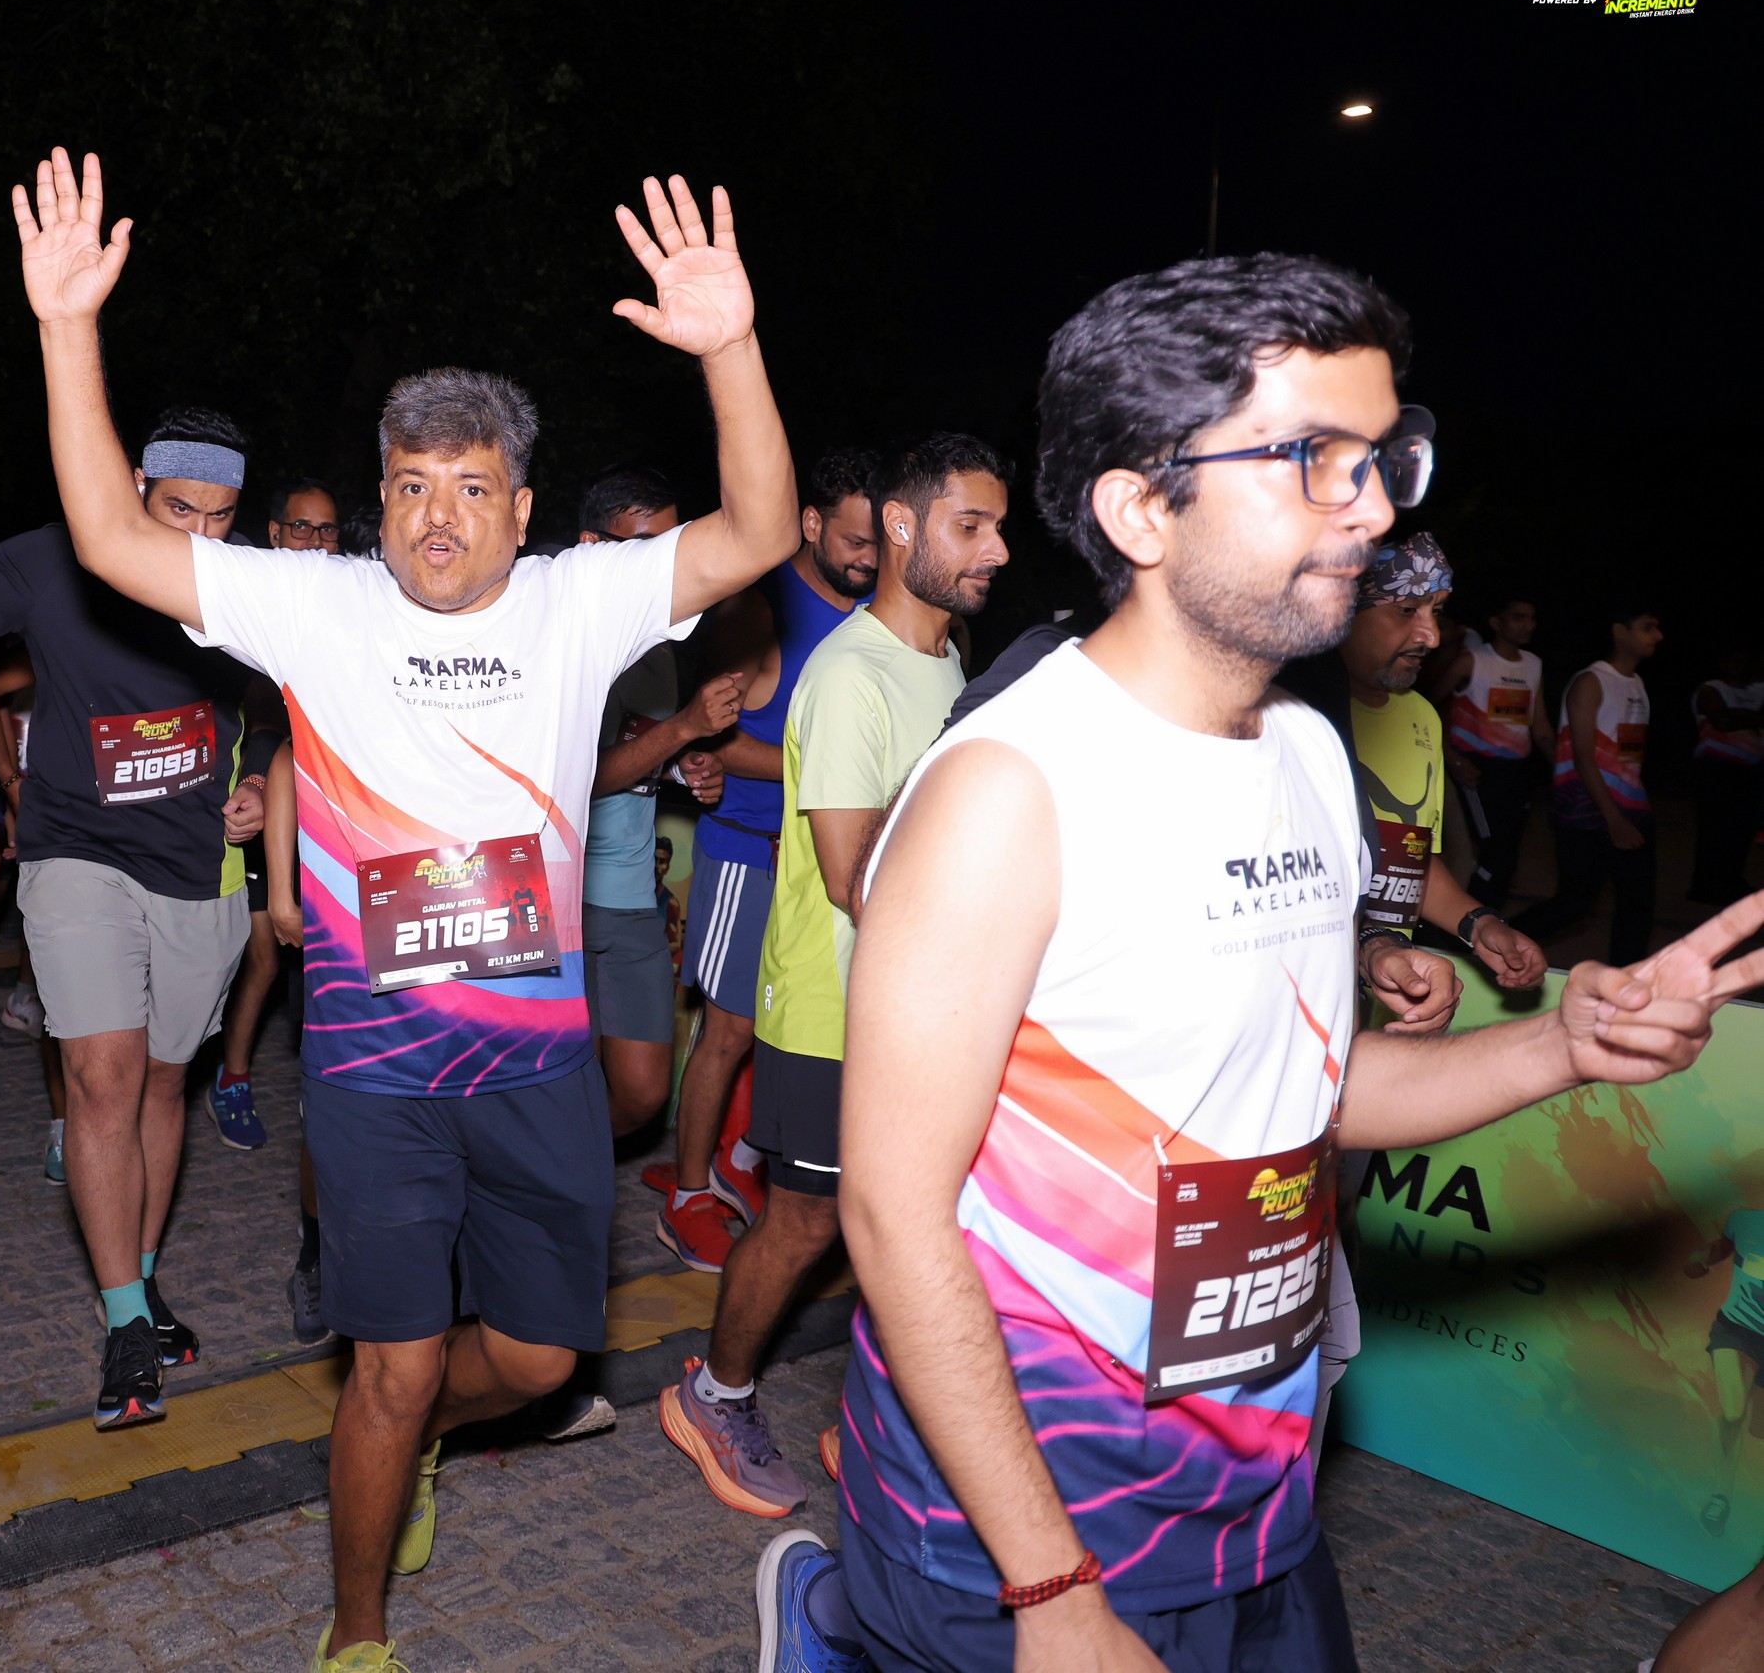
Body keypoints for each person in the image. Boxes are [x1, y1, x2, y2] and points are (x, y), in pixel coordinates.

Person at [753, 251, 1764, 1673]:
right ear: (1139, 510)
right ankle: (838, 1626)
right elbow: (892, 1210)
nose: (1376, 506)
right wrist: (1051, 1593)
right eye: (1311, 459)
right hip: (1020, 1528)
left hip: (1255, 1486)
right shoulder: (1009, 791)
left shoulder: (1306, 754)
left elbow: (1313, 1091)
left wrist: (1563, 1043)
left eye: (1383, 457)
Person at [0, 148, 799, 1673]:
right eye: (412, 488)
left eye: (471, 489)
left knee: (536, 1361)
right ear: (381, 502)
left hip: (537, 1071)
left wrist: (732, 348)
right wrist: (66, 330)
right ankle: (359, 1633)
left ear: (521, 507)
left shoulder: (582, 602)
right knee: (386, 1370)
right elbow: (112, 539)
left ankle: (429, 1437)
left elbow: (758, 527)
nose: (440, 518)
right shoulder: (318, 606)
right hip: (376, 1077)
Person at [0, 398, 266, 1435]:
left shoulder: (244, 576)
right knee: (102, 1078)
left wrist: (264, 785)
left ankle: (141, 1276)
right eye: (178, 508)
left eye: (219, 514)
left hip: (200, 865)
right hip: (76, 852)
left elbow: (296, 702)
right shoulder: (56, 557)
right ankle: (125, 1320)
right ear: (136, 484)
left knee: (164, 1084)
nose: (198, 533)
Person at [663, 432, 1007, 1519]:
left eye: (999, 527)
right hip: (834, 1005)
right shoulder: (853, 672)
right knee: (806, 1223)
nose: (997, 549)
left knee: (917, 1227)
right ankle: (715, 1395)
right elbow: (857, 878)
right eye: (971, 526)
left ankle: (882, 1430)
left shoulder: (946, 662)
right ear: (902, 528)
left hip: (922, 1003)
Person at [658, 445, 878, 1275]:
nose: (869, 557)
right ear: (811, 524)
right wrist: (838, 777)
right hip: (750, 850)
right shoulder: (759, 610)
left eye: (880, 541)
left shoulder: (880, 608)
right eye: (854, 540)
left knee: (808, 1024)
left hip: (824, 859)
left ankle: (741, 1157)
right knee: (731, 1029)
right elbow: (715, 741)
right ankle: (687, 1196)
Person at [579, 465, 743, 1136]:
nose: (664, 565)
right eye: (645, 547)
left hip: (633, 896)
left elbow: (634, 749)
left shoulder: (663, 644)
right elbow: (578, 779)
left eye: (673, 546)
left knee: (643, 1093)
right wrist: (683, 729)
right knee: (565, 1089)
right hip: (566, 902)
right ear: (592, 546)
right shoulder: (573, 643)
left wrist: (684, 768)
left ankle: (552, 1167)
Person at [1333, 533, 1546, 987]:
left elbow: (1411, 863)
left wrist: (1479, 923)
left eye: (1437, 612)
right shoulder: (1285, 716)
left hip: (1387, 987)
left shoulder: (1422, 716)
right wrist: (1367, 948)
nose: (1430, 637)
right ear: (1341, 609)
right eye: (1407, 610)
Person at [210, 478, 338, 1149]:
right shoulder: (258, 600)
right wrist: (258, 778)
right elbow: (264, 711)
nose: (315, 542)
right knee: (264, 956)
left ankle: (338, 1093)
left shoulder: (350, 599)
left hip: (336, 813)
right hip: (264, 799)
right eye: (301, 528)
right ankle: (232, 1079)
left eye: (327, 530)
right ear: (275, 533)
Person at [1511, 600, 1663, 966]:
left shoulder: (1637, 684)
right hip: (1586, 815)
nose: (1658, 636)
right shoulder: (1591, 682)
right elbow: (1582, 757)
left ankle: (1625, 985)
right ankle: (1495, 943)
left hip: (1631, 811)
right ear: (1620, 632)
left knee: (1637, 905)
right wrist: (1614, 820)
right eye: (1648, 626)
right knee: (1573, 904)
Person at [1432, 593, 1550, 905]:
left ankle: (1488, 919)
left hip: (1518, 772)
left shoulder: (1533, 665)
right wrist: (1453, 759)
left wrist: (1567, 773)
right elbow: (1426, 709)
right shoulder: (1472, 661)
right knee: (1493, 852)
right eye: (1518, 617)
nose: (1528, 625)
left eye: (1532, 618)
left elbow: (1540, 728)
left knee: (1508, 853)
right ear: (1496, 622)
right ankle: (1465, 919)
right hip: (1478, 771)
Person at [1688, 1207, 1764, 1538]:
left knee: (1759, 1429)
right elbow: (1722, 1247)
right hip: (1736, 1330)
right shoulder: (1747, 1221)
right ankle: (1721, 1497)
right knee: (1733, 1412)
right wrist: (1701, 1258)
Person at [1688, 644, 1762, 903]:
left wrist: (1737, 715)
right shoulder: (1711, 688)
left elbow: (1728, 719)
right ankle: (1706, 887)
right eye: (1732, 660)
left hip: (1752, 768)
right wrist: (1754, 717)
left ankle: (1729, 883)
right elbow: (1722, 721)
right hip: (1716, 769)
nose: (1737, 666)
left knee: (1742, 829)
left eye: (1742, 660)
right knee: (1715, 829)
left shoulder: (1756, 690)